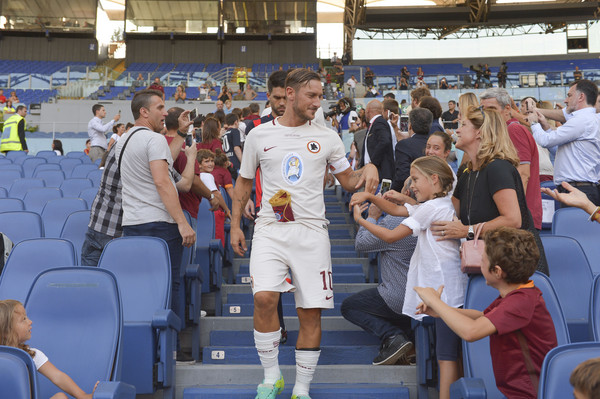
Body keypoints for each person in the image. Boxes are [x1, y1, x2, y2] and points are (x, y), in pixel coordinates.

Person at [230, 68, 380, 399]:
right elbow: (242, 182)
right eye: (312, 95)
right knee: (263, 297)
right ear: (291, 94)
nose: (318, 102)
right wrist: (236, 224)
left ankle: (301, 388)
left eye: (320, 96)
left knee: (309, 312)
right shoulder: (258, 136)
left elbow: (349, 181)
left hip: (312, 231)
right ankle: (271, 378)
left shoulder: (327, 137)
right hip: (270, 227)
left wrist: (368, 167)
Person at [350, 156, 466, 399]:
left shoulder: (432, 208)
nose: (412, 185)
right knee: (447, 354)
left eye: (415, 179)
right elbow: (399, 209)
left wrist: (362, 220)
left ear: (434, 179)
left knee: (446, 357)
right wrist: (372, 197)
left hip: (444, 293)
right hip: (444, 291)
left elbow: (391, 236)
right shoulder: (439, 204)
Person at [415, 226, 557, 398]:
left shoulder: (520, 302)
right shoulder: (517, 295)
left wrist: (436, 301)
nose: (479, 263)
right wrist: (442, 311)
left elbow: (471, 331)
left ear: (497, 271)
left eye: (482, 260)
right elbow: (483, 317)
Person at [115, 89, 197, 344]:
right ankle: (173, 347)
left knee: (141, 287)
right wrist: (183, 223)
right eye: (160, 108)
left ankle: (145, 345)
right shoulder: (154, 140)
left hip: (132, 225)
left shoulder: (123, 140)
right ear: (144, 111)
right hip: (161, 226)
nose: (165, 113)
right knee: (169, 284)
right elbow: (163, 182)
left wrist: (181, 135)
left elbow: (161, 164)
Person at [431, 106, 548, 274]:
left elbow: (513, 220)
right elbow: (451, 210)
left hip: (514, 267)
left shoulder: (498, 168)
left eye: (463, 125)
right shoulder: (467, 172)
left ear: (479, 132)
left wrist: (467, 230)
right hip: (488, 263)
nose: (457, 130)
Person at [341, 187, 417, 365]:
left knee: (349, 307)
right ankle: (410, 343)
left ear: (404, 191)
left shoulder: (395, 222)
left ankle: (393, 337)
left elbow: (361, 244)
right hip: (422, 297)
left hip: (398, 296)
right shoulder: (430, 216)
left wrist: (372, 216)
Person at [0, 299, 99, 399]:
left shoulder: (31, 355)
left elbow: (58, 377)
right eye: (23, 319)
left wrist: (83, 395)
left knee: (60, 397)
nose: (30, 322)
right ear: (6, 331)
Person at [527, 80, 600, 205]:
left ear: (581, 97)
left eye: (569, 95)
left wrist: (533, 123)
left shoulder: (581, 120)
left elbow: (545, 141)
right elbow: (560, 147)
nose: (565, 100)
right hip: (578, 188)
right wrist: (546, 126)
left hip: (578, 189)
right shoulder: (587, 119)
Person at [480, 88, 542, 230]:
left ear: (507, 109)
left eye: (492, 109)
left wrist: (515, 213)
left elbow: (523, 174)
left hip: (521, 218)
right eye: (484, 109)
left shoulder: (513, 130)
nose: (487, 114)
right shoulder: (504, 131)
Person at [163, 107, 221, 219]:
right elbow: (193, 181)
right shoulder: (184, 149)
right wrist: (211, 197)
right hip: (185, 211)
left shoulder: (161, 143)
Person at [391, 107, 433, 191]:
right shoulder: (434, 144)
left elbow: (401, 176)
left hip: (410, 194)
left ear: (410, 125)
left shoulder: (403, 145)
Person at [360, 99, 395, 184]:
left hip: (380, 175)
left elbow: (385, 141)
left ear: (368, 110)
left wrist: (373, 163)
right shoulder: (375, 123)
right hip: (375, 175)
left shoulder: (379, 122)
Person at [222, 113, 243, 178]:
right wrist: (243, 162)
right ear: (236, 122)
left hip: (227, 162)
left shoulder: (224, 133)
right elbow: (236, 148)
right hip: (235, 163)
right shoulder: (235, 131)